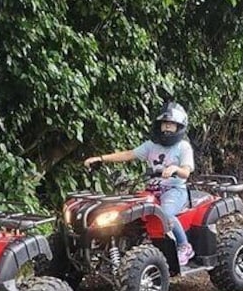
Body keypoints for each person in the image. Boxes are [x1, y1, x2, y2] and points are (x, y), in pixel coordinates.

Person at [84, 102, 196, 265]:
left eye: (171, 125)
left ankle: (184, 246)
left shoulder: (183, 147)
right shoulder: (151, 145)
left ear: (179, 127)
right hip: (151, 190)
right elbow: (129, 154)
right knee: (129, 213)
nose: (167, 128)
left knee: (166, 213)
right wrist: (101, 159)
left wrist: (174, 169)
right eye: (164, 124)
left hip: (174, 190)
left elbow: (186, 172)